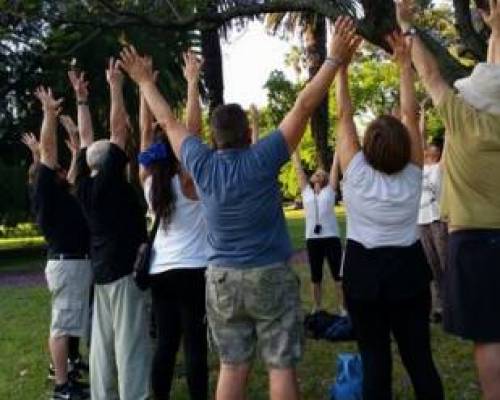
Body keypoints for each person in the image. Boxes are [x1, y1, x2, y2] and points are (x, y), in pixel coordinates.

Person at [119, 17, 360, 400]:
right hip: (268, 275)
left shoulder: (200, 161)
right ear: (249, 134)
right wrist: (332, 61)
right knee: (280, 366)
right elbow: (303, 105)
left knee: (232, 367)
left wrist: (145, 81)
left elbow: (166, 119)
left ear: (213, 138)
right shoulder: (263, 156)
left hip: (222, 280)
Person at [397, 0, 500, 398]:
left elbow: (428, 72)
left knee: (490, 338)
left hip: (472, 243)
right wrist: (495, 31)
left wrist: (406, 26)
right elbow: (495, 81)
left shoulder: (462, 117)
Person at [336, 31, 443, 399]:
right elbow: (411, 114)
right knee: (420, 361)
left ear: (367, 147)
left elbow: (343, 115)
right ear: (404, 145)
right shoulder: (414, 173)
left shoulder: (355, 172)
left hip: (363, 275)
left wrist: (342, 69)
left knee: (375, 364)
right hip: (408, 273)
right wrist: (403, 66)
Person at [73, 61, 152, 400]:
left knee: (102, 345)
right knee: (129, 341)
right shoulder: (108, 183)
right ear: (108, 164)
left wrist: (82, 101)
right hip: (123, 273)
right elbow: (118, 131)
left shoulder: (83, 184)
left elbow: (87, 141)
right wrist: (115, 85)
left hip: (102, 271)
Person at [138, 53, 208, 400]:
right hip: (194, 268)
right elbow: (192, 133)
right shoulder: (189, 179)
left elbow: (143, 138)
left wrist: (143, 89)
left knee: (166, 343)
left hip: (161, 270)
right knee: (194, 342)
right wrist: (192, 81)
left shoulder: (150, 182)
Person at [31, 86, 92, 400]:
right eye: (53, 167)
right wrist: (49, 115)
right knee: (61, 326)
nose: (58, 170)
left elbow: (70, 172)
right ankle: (62, 388)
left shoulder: (58, 191)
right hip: (67, 264)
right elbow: (47, 149)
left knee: (67, 325)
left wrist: (76, 148)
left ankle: (67, 378)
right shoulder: (45, 188)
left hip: (73, 263)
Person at [291, 151, 343, 314]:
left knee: (338, 275)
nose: (318, 174)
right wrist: (294, 150)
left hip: (331, 237)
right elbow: (299, 169)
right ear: (312, 179)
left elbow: (335, 167)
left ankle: (342, 308)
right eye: (316, 173)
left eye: (322, 173)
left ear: (326, 179)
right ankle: (317, 307)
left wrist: (337, 151)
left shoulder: (330, 191)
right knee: (315, 275)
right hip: (313, 239)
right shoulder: (306, 192)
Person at [417, 102, 447, 322]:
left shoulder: (441, 167)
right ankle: (439, 308)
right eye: (427, 146)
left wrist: (448, 115)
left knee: (445, 262)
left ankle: (454, 305)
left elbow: (451, 139)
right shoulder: (418, 165)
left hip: (437, 218)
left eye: (434, 147)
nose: (429, 148)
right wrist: (424, 115)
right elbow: (419, 136)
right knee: (431, 266)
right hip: (421, 221)